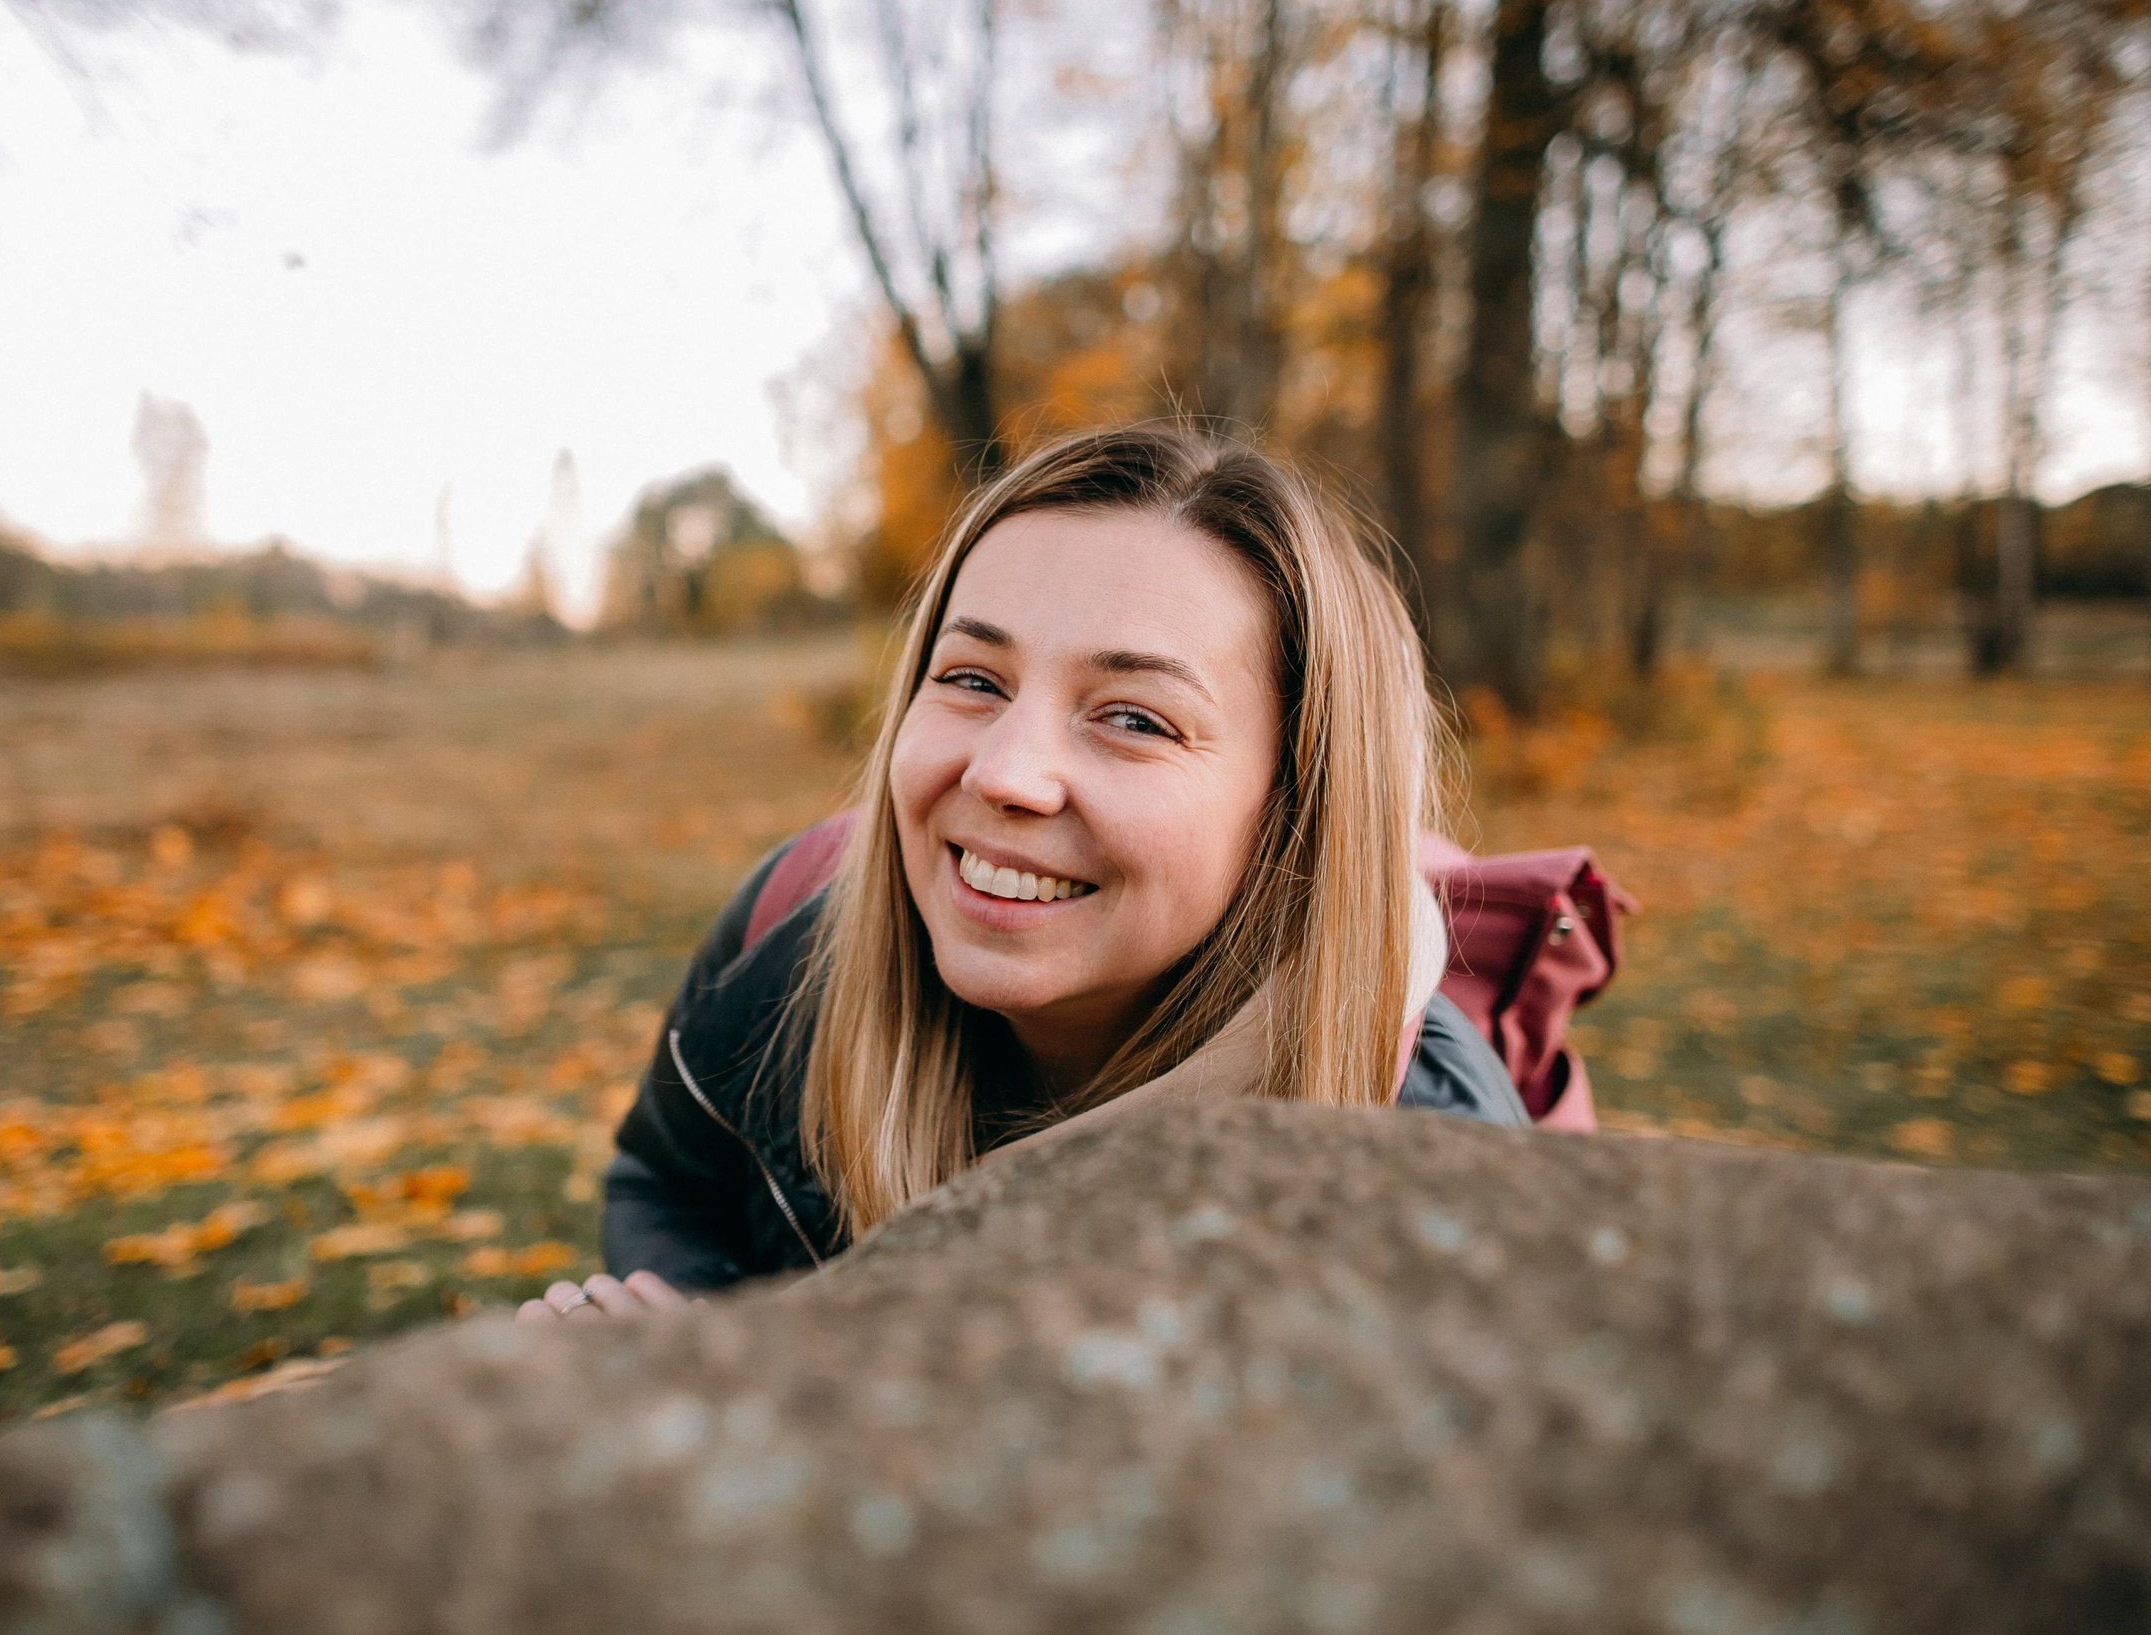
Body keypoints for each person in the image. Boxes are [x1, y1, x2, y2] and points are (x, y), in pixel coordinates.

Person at [520, 424, 1524, 1328]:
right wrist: (698, 1347)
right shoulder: (799, 929)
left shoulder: (1439, 1171)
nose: (1002, 773)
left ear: (1297, 809)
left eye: (1133, 718)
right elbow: (665, 1182)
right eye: (971, 680)